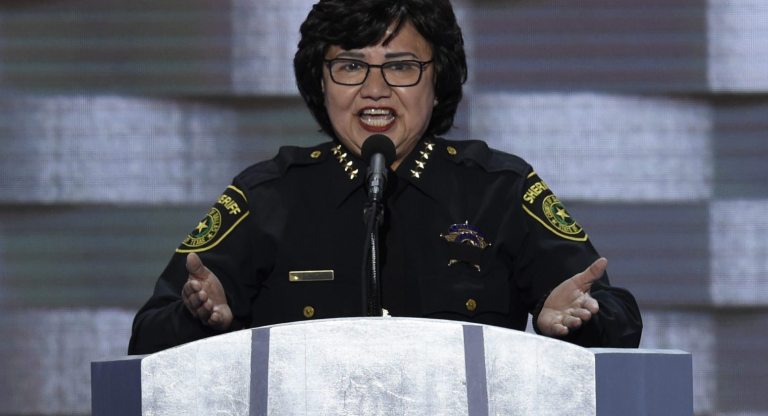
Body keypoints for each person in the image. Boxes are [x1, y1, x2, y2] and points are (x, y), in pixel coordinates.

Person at [128, 0, 642, 355]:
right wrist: (198, 318)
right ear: (320, 81)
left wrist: (581, 321)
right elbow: (147, 335)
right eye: (350, 67)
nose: (375, 90)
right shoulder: (267, 195)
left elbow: (620, 317)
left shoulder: (500, 189)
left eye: (400, 67)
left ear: (437, 78)